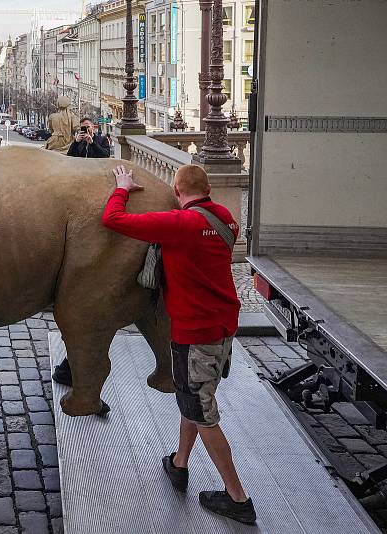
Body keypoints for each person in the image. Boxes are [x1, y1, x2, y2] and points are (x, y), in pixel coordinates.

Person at [106, 164, 256, 524]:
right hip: (221, 331)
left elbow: (114, 219)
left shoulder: (180, 224)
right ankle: (179, 463)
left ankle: (238, 499)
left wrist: (122, 187)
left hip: (195, 336)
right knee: (194, 399)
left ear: (177, 190)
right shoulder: (227, 220)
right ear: (207, 189)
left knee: (204, 415)